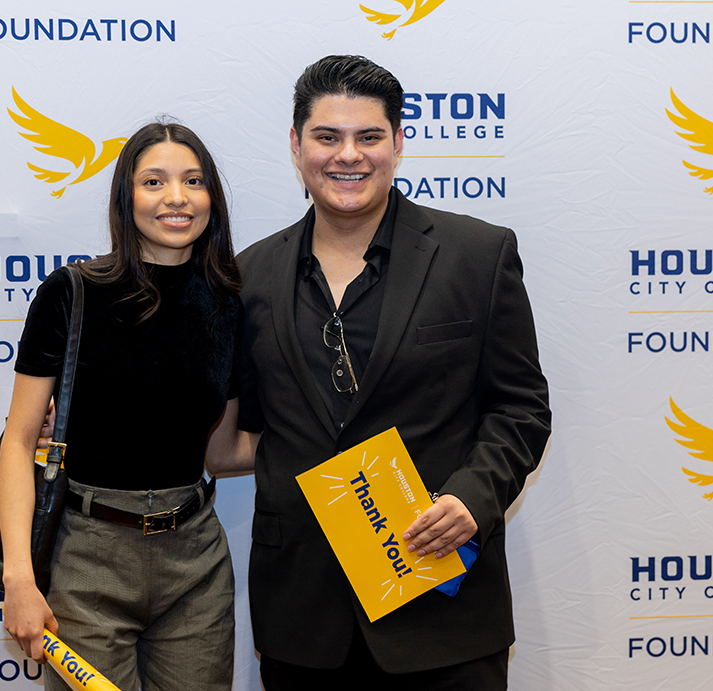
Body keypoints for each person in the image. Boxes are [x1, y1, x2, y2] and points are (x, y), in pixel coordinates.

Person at [224, 55, 552, 689]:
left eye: (368, 136)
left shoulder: (478, 255)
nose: (348, 155)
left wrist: (472, 498)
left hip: (441, 602)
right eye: (327, 137)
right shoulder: (250, 276)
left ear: (398, 144)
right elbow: (233, 419)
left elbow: (521, 409)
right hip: (302, 616)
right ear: (297, 147)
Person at [0, 122, 243, 691]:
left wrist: (330, 444)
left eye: (194, 181)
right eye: (154, 181)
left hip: (196, 563)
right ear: (125, 196)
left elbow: (224, 451)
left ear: (213, 198)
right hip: (88, 558)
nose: (176, 197)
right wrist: (19, 579)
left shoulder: (229, 304)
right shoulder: (72, 292)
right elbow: (18, 439)